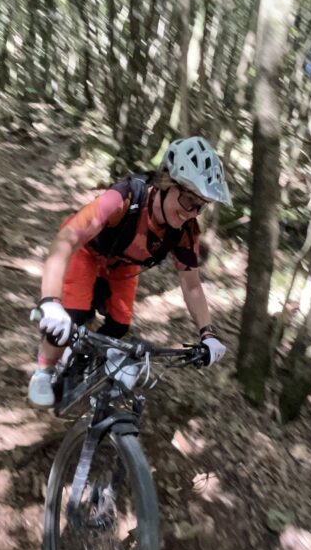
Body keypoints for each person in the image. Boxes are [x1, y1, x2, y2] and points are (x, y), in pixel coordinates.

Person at [28, 136, 231, 406]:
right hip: (87, 252)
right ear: (165, 183)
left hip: (123, 265)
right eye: (187, 200)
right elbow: (66, 241)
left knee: (119, 325)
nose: (191, 212)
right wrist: (50, 302)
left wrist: (208, 334)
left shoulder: (186, 231)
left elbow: (191, 285)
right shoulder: (125, 197)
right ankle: (44, 369)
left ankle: (81, 362)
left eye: (200, 206)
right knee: (70, 316)